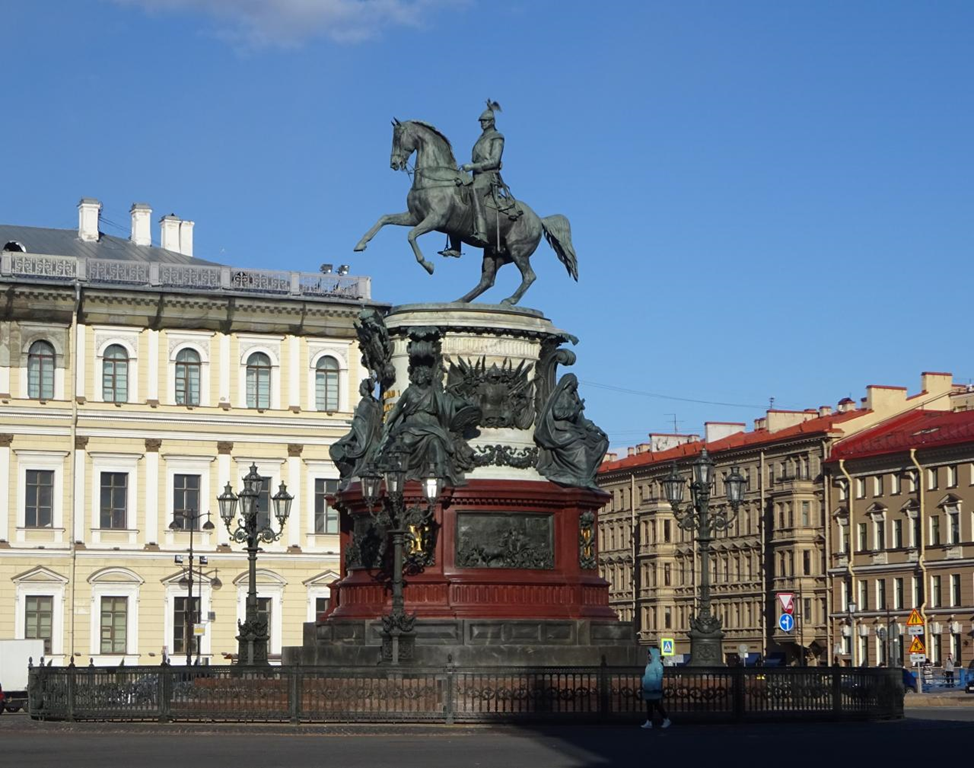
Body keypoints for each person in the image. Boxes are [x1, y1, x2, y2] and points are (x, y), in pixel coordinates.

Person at [440, 101, 505, 258]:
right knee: (456, 193)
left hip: (489, 176)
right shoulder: (481, 138)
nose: (481, 124)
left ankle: (481, 232)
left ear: (491, 122)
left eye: (484, 121)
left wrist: (473, 166)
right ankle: (456, 247)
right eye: (481, 122)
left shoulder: (497, 138)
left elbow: (494, 161)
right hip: (477, 175)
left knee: (475, 191)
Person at [641, 647, 671, 729]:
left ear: (653, 654)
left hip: (653, 688)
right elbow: (647, 675)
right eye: (648, 654)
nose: (648, 656)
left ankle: (666, 719)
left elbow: (659, 676)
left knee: (656, 705)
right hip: (648, 687)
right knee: (650, 705)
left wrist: (657, 687)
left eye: (649, 654)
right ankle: (649, 721)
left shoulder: (657, 665)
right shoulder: (649, 664)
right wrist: (643, 681)